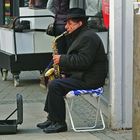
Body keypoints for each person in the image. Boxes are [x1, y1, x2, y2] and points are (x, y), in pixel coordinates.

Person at [37, 7, 108, 133]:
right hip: (83, 76)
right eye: (66, 23)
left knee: (56, 85)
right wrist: (65, 73)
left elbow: (83, 61)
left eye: (69, 23)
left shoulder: (88, 37)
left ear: (80, 23)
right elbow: (79, 61)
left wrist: (62, 59)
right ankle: (52, 118)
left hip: (90, 80)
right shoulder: (80, 35)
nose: (66, 27)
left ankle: (60, 123)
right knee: (54, 81)